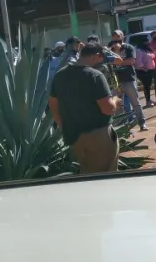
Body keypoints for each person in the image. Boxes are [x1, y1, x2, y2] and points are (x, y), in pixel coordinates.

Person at [48, 44, 120, 174]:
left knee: (86, 175)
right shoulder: (95, 76)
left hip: (74, 136)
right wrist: (115, 101)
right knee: (105, 177)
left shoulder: (60, 75)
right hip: (98, 135)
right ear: (97, 56)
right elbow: (108, 109)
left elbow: (53, 102)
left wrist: (62, 124)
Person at [110, 30, 146, 132]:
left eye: (118, 36)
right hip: (116, 82)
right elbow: (108, 62)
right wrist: (115, 53)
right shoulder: (110, 49)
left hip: (129, 79)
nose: (116, 38)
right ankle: (122, 128)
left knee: (135, 103)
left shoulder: (129, 48)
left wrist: (117, 62)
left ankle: (142, 123)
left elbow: (131, 61)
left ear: (123, 37)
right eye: (114, 36)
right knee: (118, 105)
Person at [134, 37, 156, 108]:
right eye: (146, 42)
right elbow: (138, 61)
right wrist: (144, 69)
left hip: (150, 70)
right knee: (146, 86)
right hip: (143, 71)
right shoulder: (139, 50)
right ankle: (148, 102)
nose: (148, 43)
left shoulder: (147, 49)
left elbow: (154, 56)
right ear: (142, 43)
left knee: (148, 86)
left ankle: (148, 100)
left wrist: (151, 48)